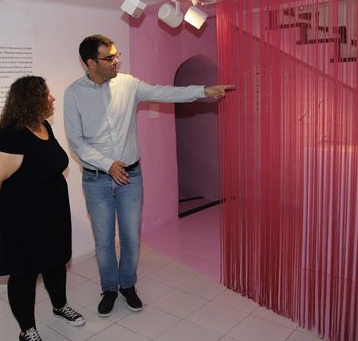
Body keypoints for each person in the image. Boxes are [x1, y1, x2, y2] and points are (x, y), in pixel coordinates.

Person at [63, 34, 234, 317]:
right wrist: (108, 164)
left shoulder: (128, 84)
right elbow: (76, 142)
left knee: (131, 238)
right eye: (110, 57)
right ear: (91, 63)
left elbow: (165, 93)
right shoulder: (74, 94)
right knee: (104, 241)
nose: (117, 61)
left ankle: (128, 285)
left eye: (117, 55)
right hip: (96, 180)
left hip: (131, 177)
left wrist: (203, 90)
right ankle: (109, 289)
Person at [0, 76, 85, 341]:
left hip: (52, 211)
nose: (53, 98)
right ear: (31, 99)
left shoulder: (43, 125)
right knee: (24, 272)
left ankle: (60, 306)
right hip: (22, 217)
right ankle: (27, 329)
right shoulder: (12, 135)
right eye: (47, 94)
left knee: (55, 261)